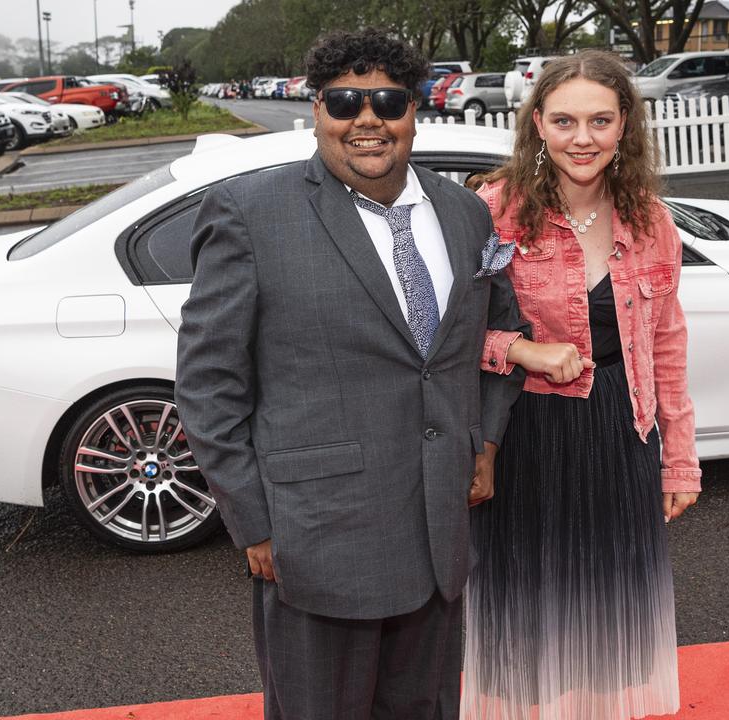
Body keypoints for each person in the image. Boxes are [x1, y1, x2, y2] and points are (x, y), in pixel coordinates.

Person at [175, 28, 528, 720]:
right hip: (317, 543)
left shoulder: (462, 214)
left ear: (414, 110)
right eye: (343, 102)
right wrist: (252, 521)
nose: (366, 119)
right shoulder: (250, 214)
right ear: (316, 110)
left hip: (437, 536)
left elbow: (501, 335)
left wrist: (484, 443)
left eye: (386, 102)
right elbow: (208, 385)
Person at [461, 50, 702, 719]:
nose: (583, 138)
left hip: (623, 436)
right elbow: (443, 338)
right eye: (565, 121)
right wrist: (525, 349)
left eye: (600, 120)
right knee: (529, 618)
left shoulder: (652, 221)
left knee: (610, 616)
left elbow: (667, 343)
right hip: (529, 438)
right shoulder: (495, 212)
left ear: (624, 124)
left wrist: (679, 459)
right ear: (538, 123)